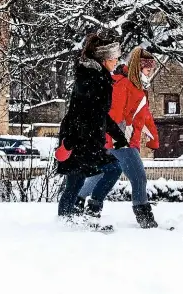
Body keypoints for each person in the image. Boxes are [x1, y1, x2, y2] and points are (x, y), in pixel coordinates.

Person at [56, 29, 129, 222]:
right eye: (114, 58)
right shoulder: (91, 79)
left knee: (76, 181)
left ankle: (67, 222)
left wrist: (119, 136)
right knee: (109, 170)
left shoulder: (98, 77)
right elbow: (82, 113)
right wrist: (70, 141)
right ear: (104, 59)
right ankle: (77, 217)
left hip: (86, 139)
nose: (117, 62)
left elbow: (99, 114)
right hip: (80, 140)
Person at [105, 47, 160, 228]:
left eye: (151, 67)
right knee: (139, 178)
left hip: (127, 141)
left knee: (101, 175)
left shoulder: (139, 88)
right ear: (138, 67)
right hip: (121, 141)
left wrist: (153, 138)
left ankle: (80, 205)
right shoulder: (124, 84)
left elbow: (146, 117)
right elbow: (114, 114)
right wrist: (119, 138)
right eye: (146, 67)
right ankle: (144, 217)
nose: (149, 70)